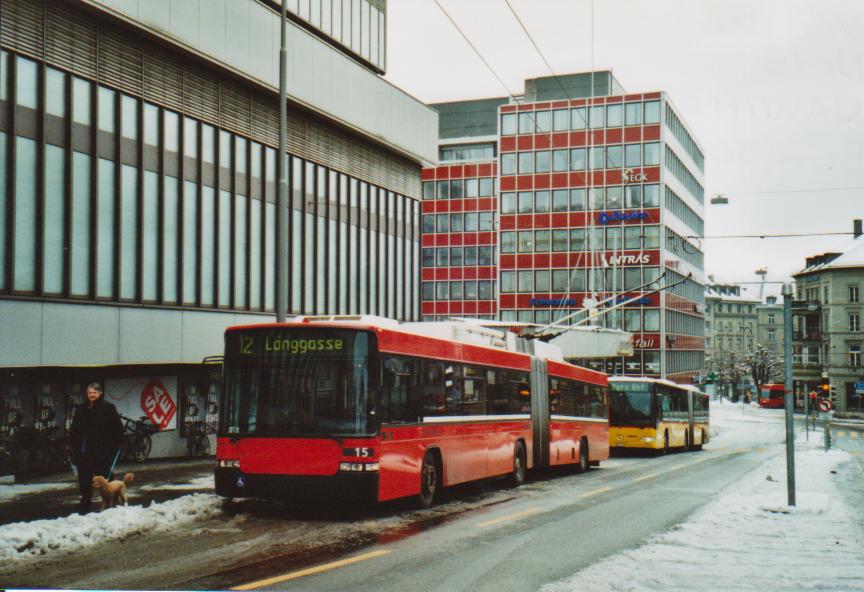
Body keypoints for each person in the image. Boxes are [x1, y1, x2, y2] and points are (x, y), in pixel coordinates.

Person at [68, 383, 124, 514]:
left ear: (100, 393)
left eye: (94, 392)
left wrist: (119, 442)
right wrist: (72, 442)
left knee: (104, 475)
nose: (92, 395)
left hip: (102, 449)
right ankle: (86, 501)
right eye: (89, 393)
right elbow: (75, 428)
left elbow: (117, 427)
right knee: (84, 477)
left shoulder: (108, 408)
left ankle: (112, 499)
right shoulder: (81, 408)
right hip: (84, 448)